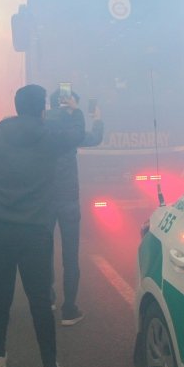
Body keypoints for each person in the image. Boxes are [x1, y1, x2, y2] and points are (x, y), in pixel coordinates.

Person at [0, 84, 84, 367]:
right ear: (42, 107)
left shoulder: (0, 133)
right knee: (41, 301)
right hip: (35, 232)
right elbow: (78, 136)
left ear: (17, 106)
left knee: (1, 297)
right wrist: (75, 112)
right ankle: (49, 363)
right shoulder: (50, 137)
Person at [46, 89, 104, 326]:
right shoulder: (72, 132)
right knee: (70, 255)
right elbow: (93, 138)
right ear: (68, 106)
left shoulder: (42, 125)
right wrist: (94, 117)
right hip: (68, 197)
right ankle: (69, 309)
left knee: (44, 249)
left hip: (45, 197)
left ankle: (47, 296)